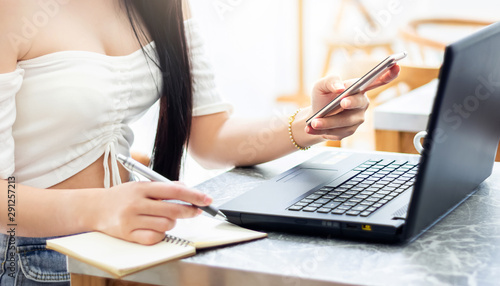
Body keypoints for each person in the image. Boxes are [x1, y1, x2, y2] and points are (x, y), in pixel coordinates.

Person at [0, 0, 400, 284]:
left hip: (124, 244)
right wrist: (99, 208)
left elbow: (211, 137)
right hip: (30, 255)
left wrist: (310, 124)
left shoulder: (163, 5)